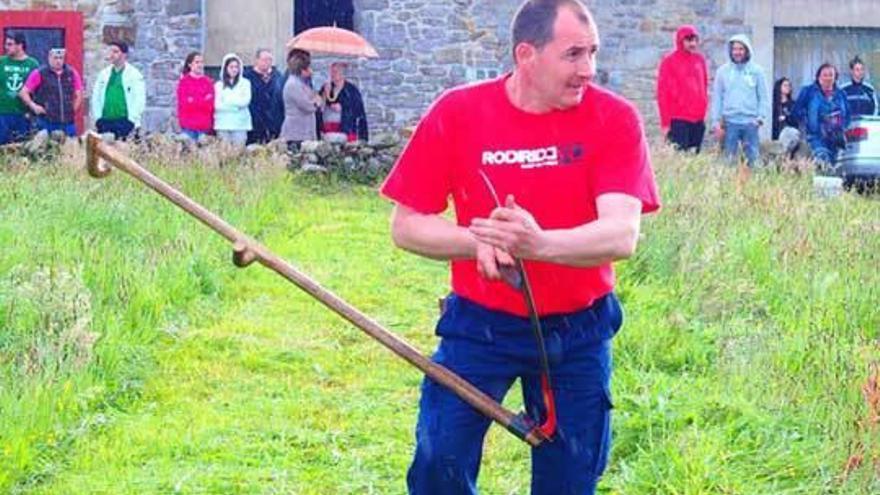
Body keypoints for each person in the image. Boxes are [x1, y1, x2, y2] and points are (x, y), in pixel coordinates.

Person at [380, 1, 660, 493]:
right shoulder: (459, 112)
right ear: (526, 54)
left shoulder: (615, 119)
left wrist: (536, 244)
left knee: (571, 478)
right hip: (479, 327)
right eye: (573, 54)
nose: (588, 70)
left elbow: (622, 234)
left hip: (578, 333)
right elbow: (406, 225)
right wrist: (477, 241)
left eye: (593, 53)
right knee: (437, 461)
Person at [710, 34, 769, 168]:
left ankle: (753, 187)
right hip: (729, 123)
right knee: (728, 163)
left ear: (747, 50)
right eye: (735, 49)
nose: (737, 52)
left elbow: (763, 97)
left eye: (741, 49)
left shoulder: (757, 71)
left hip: (750, 123)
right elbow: (717, 97)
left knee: (753, 162)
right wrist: (715, 122)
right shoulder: (722, 72)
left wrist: (760, 118)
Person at [655, 25, 708, 152]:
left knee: (694, 159)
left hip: (698, 120)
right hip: (678, 119)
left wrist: (703, 108)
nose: (693, 43)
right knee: (680, 159)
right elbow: (662, 93)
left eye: (695, 40)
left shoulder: (699, 60)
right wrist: (665, 123)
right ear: (680, 40)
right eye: (689, 40)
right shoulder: (669, 62)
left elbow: (704, 86)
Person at [18, 47, 83, 137]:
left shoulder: (72, 73)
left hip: (68, 123)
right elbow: (23, 92)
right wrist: (34, 106)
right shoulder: (39, 73)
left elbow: (79, 94)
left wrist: (72, 109)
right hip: (46, 121)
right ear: (49, 58)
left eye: (61, 58)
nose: (58, 61)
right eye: (55, 58)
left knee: (69, 149)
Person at [90, 41, 145, 140]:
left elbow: (139, 99)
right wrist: (98, 118)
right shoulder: (104, 74)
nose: (111, 55)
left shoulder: (134, 75)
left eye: (115, 52)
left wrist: (132, 120)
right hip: (106, 122)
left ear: (124, 54)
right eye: (110, 51)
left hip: (125, 122)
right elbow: (96, 97)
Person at [805, 63, 850, 167]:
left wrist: (842, 129)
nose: (828, 78)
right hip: (817, 138)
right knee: (823, 163)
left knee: (834, 169)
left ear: (835, 78)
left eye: (831, 75)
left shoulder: (841, 94)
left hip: (836, 140)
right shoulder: (810, 93)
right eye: (825, 75)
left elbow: (847, 115)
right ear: (819, 77)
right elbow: (797, 112)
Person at [280, 49, 323, 150]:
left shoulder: (303, 83)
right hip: (296, 133)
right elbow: (307, 106)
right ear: (302, 70)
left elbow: (314, 96)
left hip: (305, 131)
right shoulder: (293, 85)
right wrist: (316, 103)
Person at [0, 33, 39, 144]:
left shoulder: (32, 64)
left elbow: (38, 90)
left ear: (20, 45)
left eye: (10, 44)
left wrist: (32, 109)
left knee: (21, 147)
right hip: (2, 113)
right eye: (6, 44)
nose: (6, 47)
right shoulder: (1, 62)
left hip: (22, 114)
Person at [321, 62, 369, 142]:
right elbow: (320, 105)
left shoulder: (351, 90)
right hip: (327, 131)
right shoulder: (327, 88)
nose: (332, 74)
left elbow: (358, 111)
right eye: (331, 72)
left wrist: (343, 108)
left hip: (345, 130)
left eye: (335, 72)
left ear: (342, 74)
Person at [244, 48, 283, 144]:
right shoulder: (247, 77)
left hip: (274, 122)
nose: (267, 62)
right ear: (256, 60)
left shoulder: (277, 76)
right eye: (264, 59)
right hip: (255, 122)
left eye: (270, 60)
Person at [213, 53, 252, 146]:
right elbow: (217, 105)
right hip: (222, 124)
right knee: (224, 153)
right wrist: (235, 107)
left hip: (240, 124)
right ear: (225, 68)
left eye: (236, 67)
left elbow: (245, 101)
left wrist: (226, 101)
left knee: (238, 153)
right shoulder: (218, 85)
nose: (234, 69)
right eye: (231, 67)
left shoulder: (245, 83)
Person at [176, 51, 214, 141]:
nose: (200, 65)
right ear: (190, 64)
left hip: (205, 128)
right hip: (188, 127)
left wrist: (193, 100)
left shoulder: (208, 82)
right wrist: (203, 99)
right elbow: (185, 104)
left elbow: (210, 105)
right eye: (197, 62)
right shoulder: (184, 83)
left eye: (201, 62)